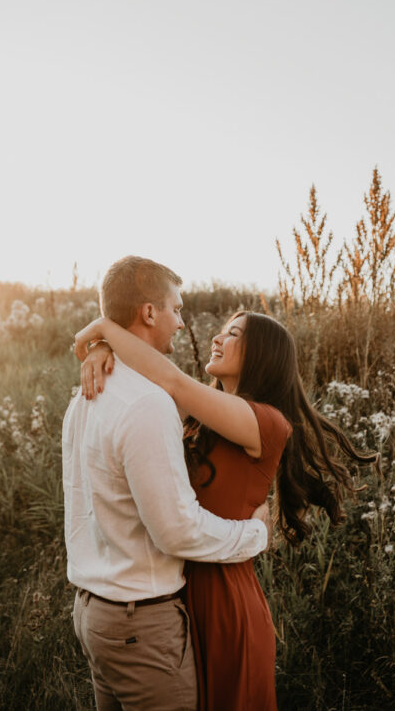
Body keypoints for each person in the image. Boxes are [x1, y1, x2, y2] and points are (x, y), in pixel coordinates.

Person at [76, 303, 380, 711]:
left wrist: (103, 328)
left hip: (223, 602)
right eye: (222, 331)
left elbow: (170, 378)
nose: (217, 339)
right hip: (176, 595)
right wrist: (100, 349)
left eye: (233, 334)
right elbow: (146, 380)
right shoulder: (199, 421)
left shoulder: (267, 422)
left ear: (262, 356)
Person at [62, 256, 272, 711]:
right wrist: (256, 534)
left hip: (93, 614)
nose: (183, 322)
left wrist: (104, 343)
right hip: (140, 626)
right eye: (176, 309)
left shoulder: (86, 395)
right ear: (149, 313)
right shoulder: (149, 403)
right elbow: (176, 529)